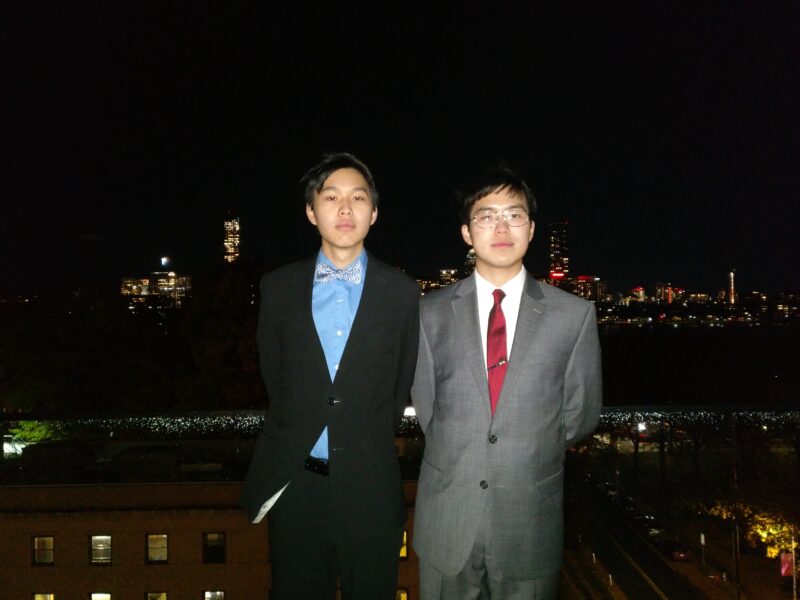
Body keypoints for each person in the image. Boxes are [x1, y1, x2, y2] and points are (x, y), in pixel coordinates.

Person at [411, 166, 602, 600]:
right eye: (486, 216)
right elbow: (427, 406)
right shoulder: (430, 313)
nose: (501, 227)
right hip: (447, 517)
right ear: (466, 232)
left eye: (513, 215)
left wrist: (526, 446)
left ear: (531, 229)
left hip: (529, 517)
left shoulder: (573, 316)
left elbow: (580, 413)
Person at [240, 153, 419, 600]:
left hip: (370, 483)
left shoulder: (400, 292)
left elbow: (400, 383)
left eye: (358, 198)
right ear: (310, 211)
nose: (345, 209)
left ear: (373, 213)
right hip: (296, 483)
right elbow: (275, 375)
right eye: (331, 197)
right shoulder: (279, 287)